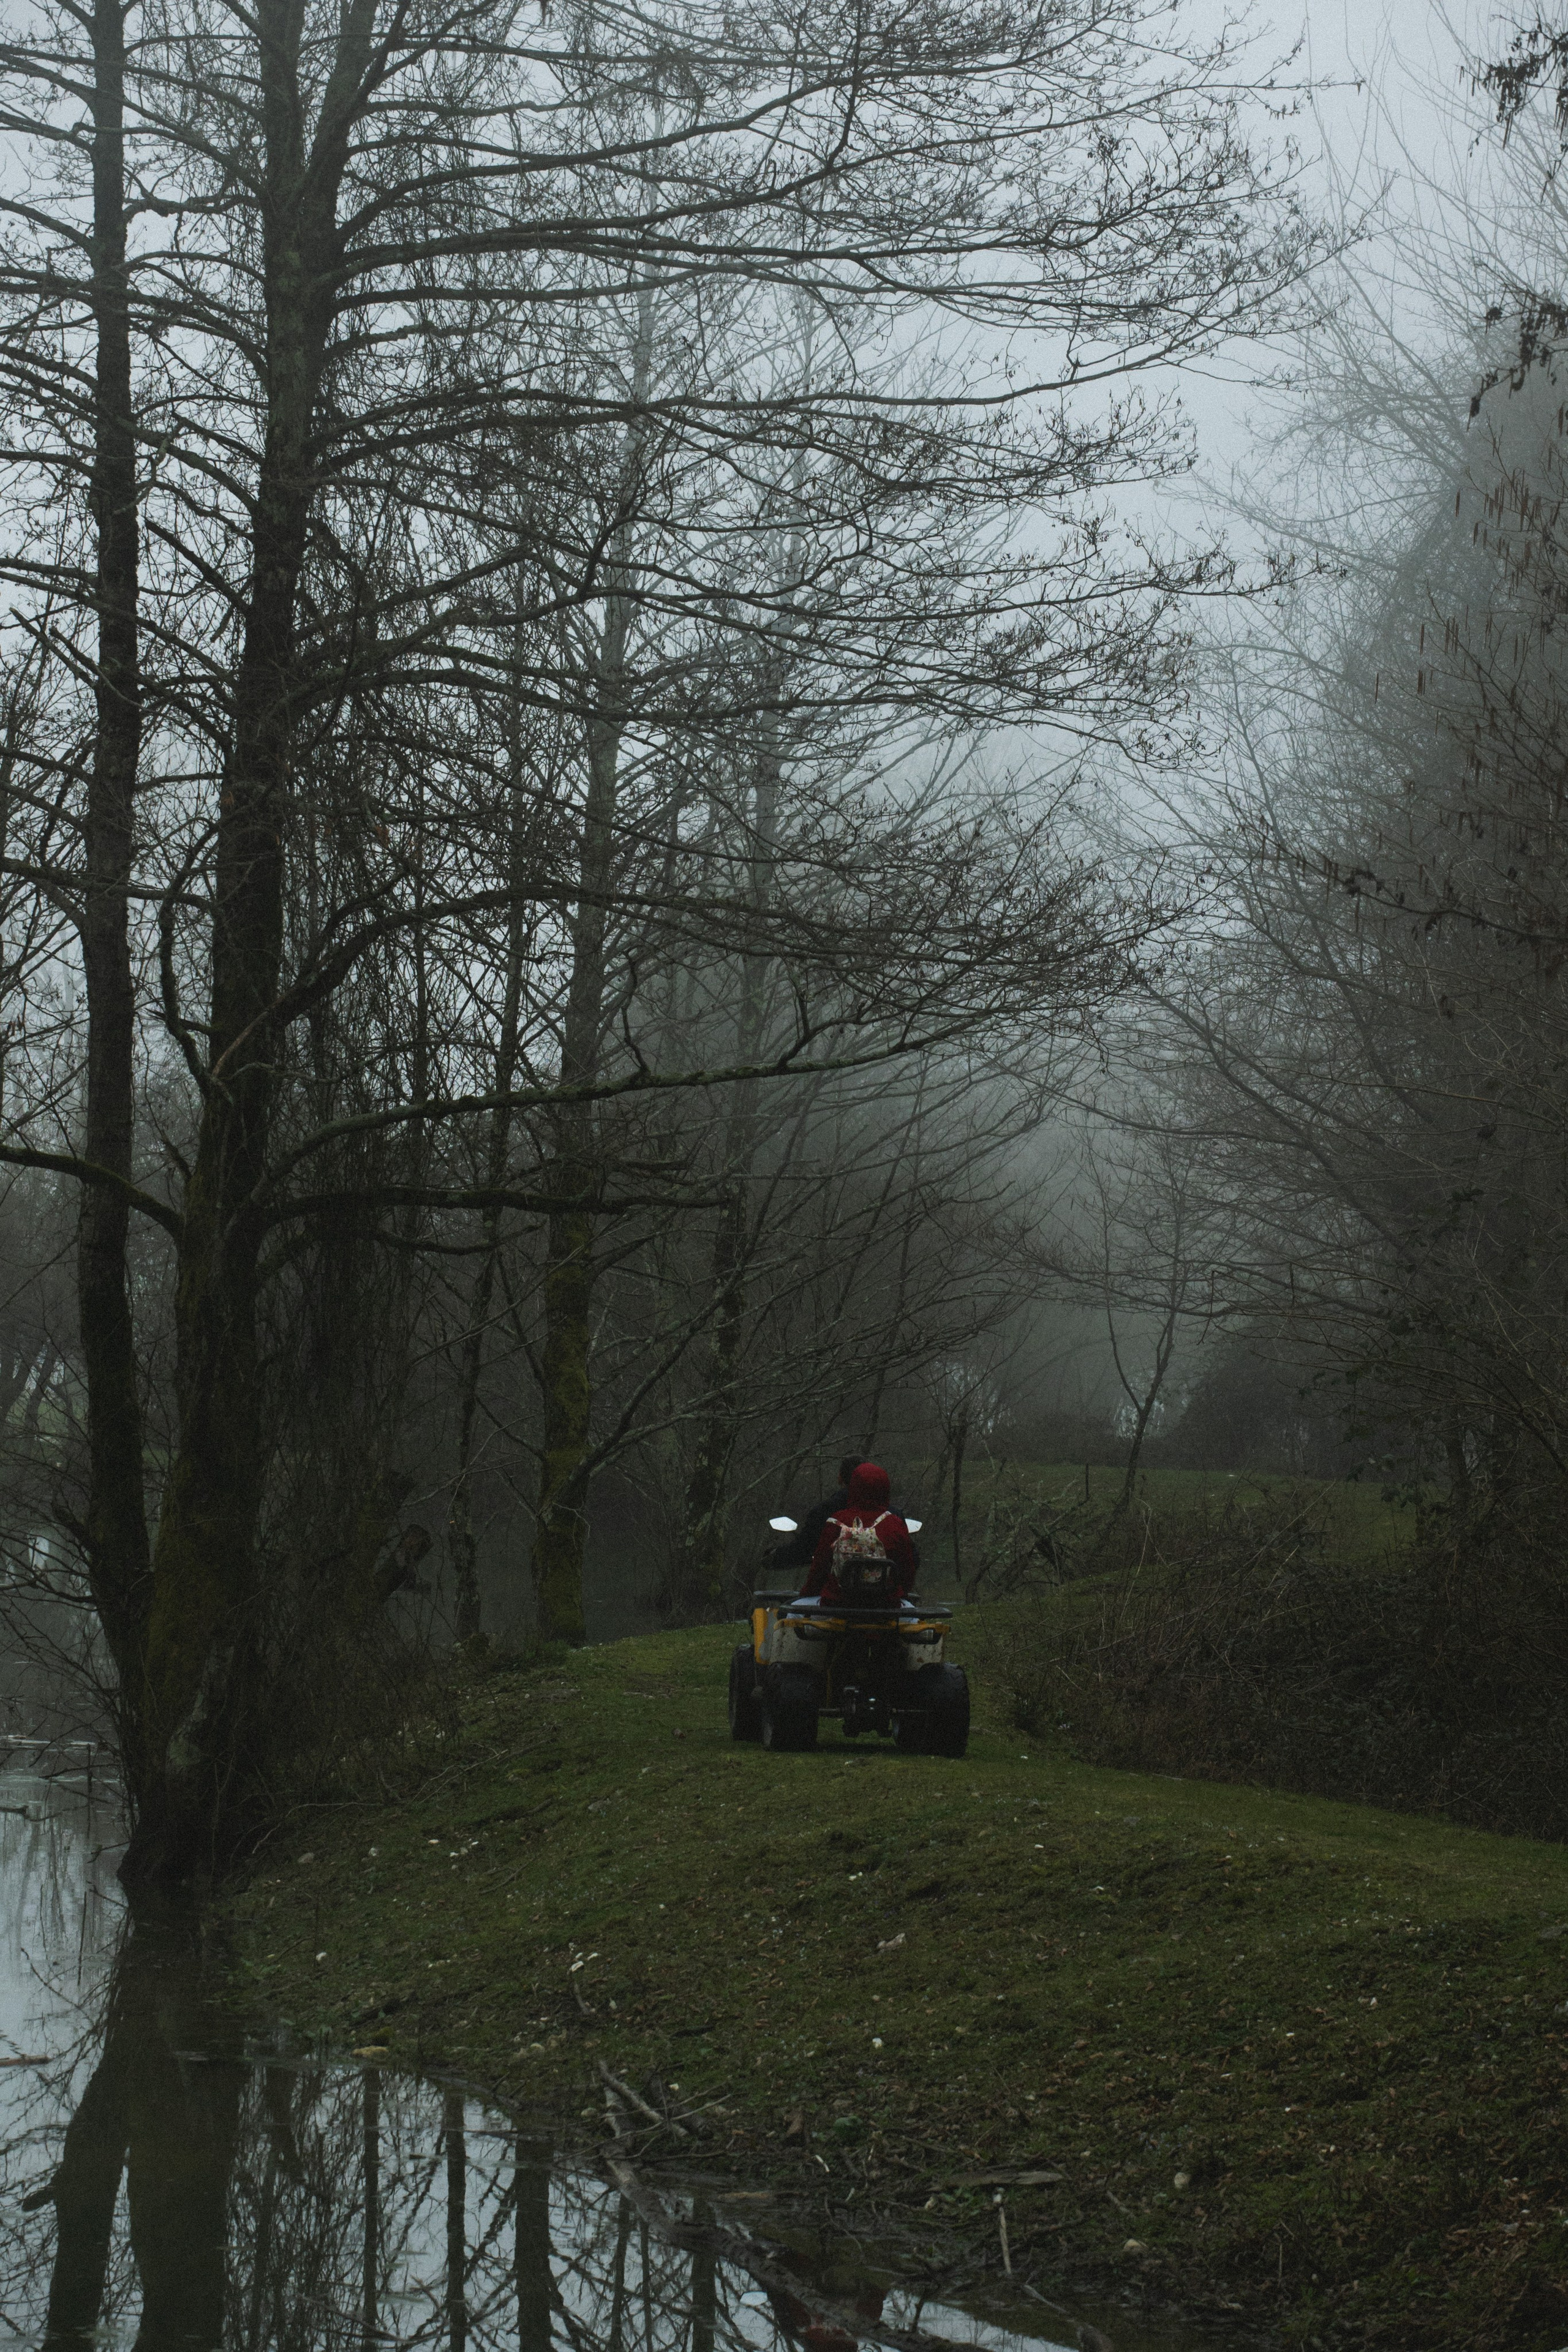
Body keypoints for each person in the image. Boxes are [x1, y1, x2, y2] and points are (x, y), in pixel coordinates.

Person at [803, 1461, 918, 1603]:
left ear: (853, 1488)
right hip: (886, 1610)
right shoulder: (895, 1525)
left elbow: (819, 1571)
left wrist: (807, 1593)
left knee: (792, 1613)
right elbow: (907, 1574)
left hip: (836, 1608)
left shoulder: (836, 1522)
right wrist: (899, 1594)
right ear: (885, 1489)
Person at [772, 1455, 861, 1574]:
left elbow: (803, 1550)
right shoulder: (890, 1516)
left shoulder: (825, 1512)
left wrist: (774, 1557)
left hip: (832, 1589)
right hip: (884, 1591)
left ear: (840, 1478)